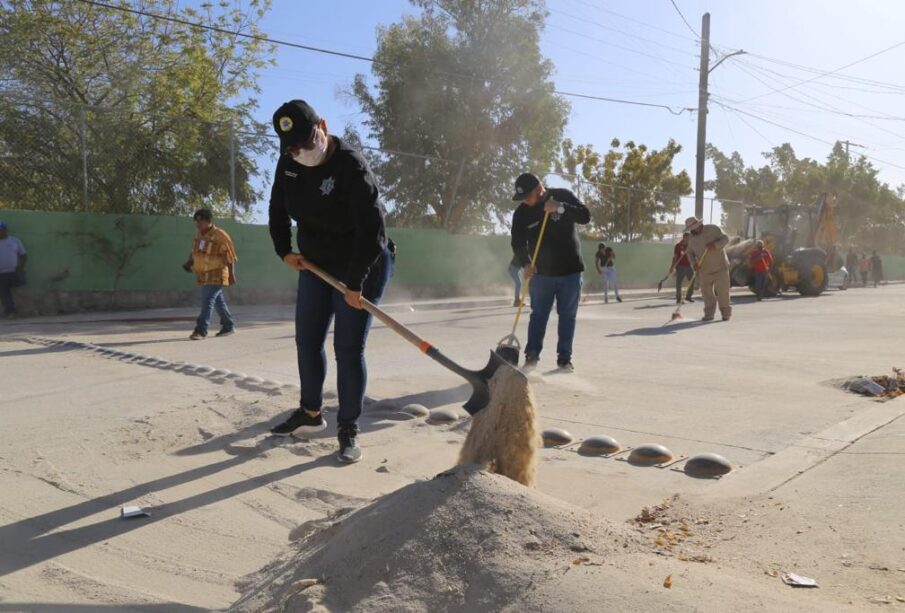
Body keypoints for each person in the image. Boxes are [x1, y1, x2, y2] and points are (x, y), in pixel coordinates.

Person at [267, 99, 393, 464]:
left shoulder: (351, 166)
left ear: (322, 126)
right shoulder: (288, 163)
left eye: (307, 142)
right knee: (307, 339)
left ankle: (349, 427)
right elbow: (277, 207)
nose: (301, 152)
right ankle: (310, 414)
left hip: (361, 262)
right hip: (316, 264)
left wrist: (356, 284)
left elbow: (373, 231)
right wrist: (283, 250)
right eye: (292, 147)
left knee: (348, 349)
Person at [511, 172, 590, 371]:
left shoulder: (562, 195)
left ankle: (564, 358)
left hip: (570, 272)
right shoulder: (521, 214)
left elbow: (585, 216)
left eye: (527, 196)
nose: (525, 201)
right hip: (541, 275)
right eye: (522, 198)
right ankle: (532, 356)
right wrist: (525, 263)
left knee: (567, 315)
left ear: (539, 189)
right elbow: (517, 242)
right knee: (538, 315)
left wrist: (561, 208)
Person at [182, 209, 237, 340]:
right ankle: (228, 325)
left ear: (209, 221)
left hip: (217, 274)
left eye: (201, 222)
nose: (199, 225)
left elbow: (230, 257)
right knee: (218, 301)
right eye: (197, 222)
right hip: (203, 275)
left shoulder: (220, 235)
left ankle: (201, 330)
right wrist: (189, 263)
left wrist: (231, 274)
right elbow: (195, 252)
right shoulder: (199, 235)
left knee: (207, 300)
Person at [685, 216, 732, 321]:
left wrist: (715, 245)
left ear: (699, 225)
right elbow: (689, 253)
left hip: (721, 267)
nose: (692, 231)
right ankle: (709, 314)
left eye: (694, 228)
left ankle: (725, 313)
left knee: (723, 292)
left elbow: (725, 239)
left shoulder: (713, 229)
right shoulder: (692, 239)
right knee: (707, 293)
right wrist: (694, 264)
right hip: (704, 270)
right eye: (691, 229)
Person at [0, 221, 27, 318]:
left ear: (5, 230)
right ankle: (11, 312)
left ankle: (26, 310)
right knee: (4, 294)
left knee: (21, 290)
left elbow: (23, 255)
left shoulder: (14, 240)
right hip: (1, 274)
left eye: (1, 230)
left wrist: (20, 267)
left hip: (14, 272)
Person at [667, 232, 694, 304]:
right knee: (679, 282)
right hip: (680, 267)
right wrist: (672, 267)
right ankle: (678, 298)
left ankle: (688, 296)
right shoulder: (678, 246)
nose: (689, 239)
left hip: (688, 266)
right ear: (684, 237)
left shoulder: (690, 246)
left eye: (689, 238)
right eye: (688, 238)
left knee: (692, 280)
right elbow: (675, 257)